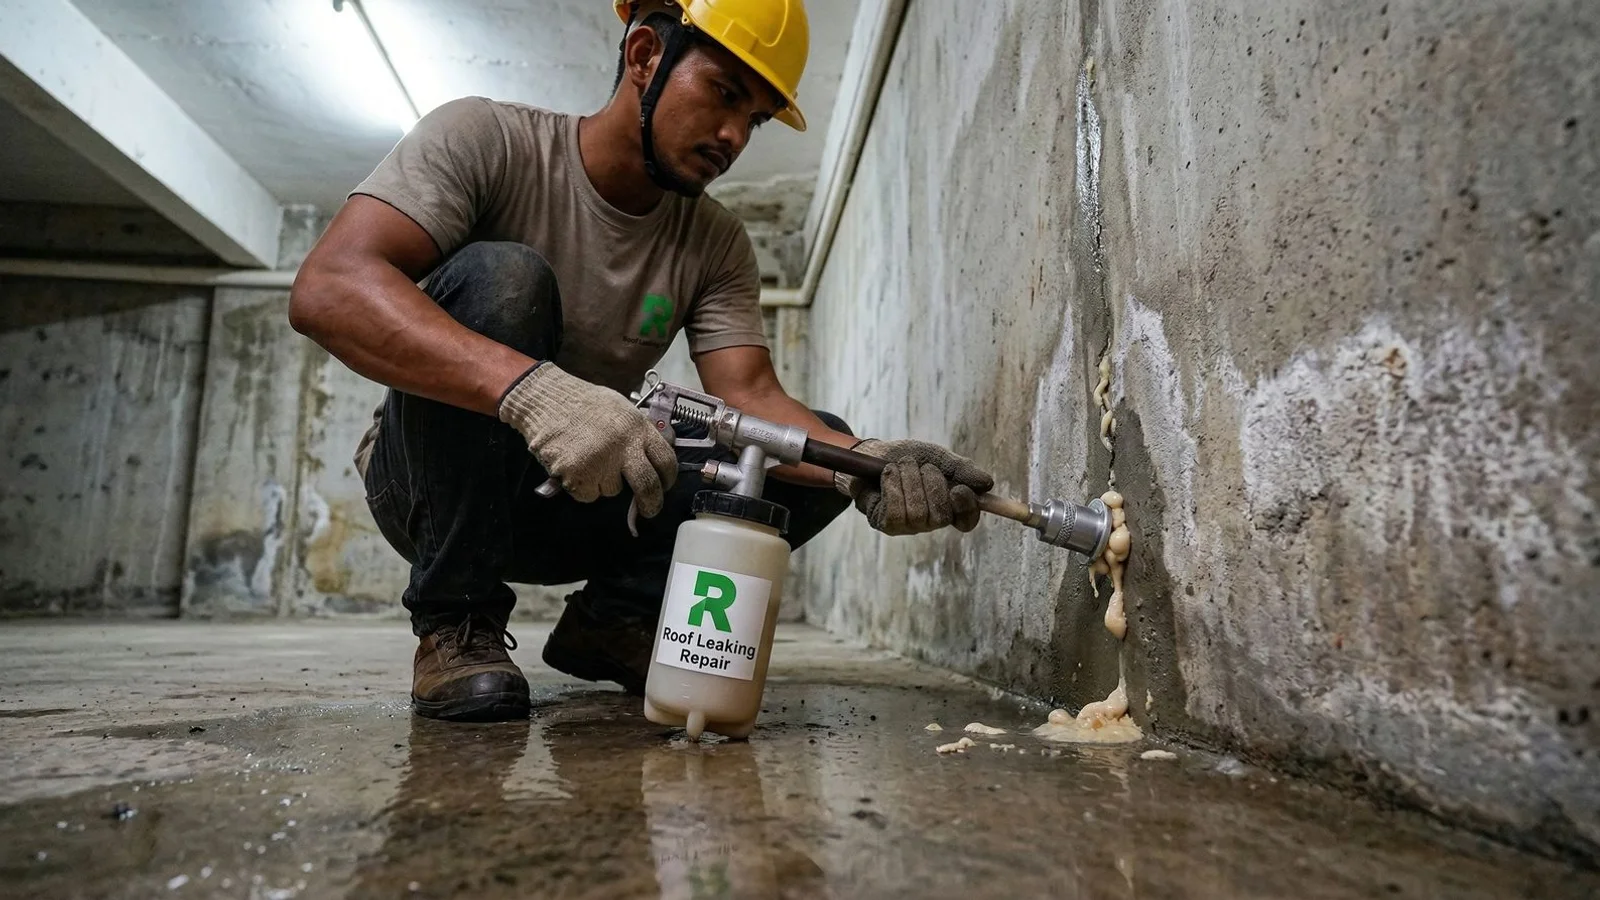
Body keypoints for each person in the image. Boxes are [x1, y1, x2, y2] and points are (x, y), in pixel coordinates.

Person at [289, 0, 994, 722]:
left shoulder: (714, 243)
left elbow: (750, 395)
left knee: (801, 454)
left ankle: (615, 622)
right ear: (646, 56)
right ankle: (454, 624)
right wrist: (535, 394)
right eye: (724, 94)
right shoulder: (487, 140)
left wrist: (870, 465)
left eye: (752, 119)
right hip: (427, 488)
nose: (733, 136)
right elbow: (329, 289)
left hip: (574, 497)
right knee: (507, 277)